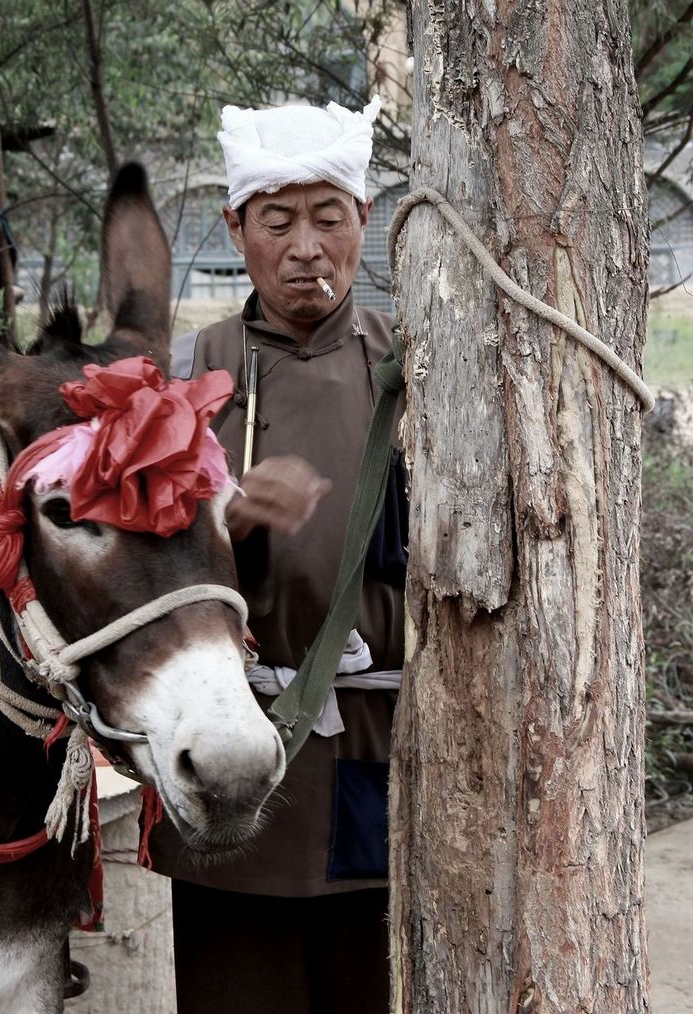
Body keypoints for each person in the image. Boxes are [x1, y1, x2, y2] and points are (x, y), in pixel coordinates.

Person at [149, 94, 406, 1014]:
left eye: (328, 217)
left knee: (368, 985)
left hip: (374, 749)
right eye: (278, 220)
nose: (306, 246)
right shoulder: (194, 377)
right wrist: (225, 516)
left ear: (364, 223)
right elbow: (139, 568)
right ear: (237, 227)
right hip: (236, 748)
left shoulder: (408, 368)